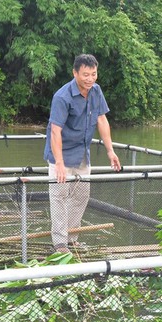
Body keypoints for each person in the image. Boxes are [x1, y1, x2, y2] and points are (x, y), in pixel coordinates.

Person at [44, 54, 121, 254]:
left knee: (81, 195)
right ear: (75, 73)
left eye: (93, 74)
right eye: (85, 74)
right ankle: (60, 243)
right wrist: (59, 163)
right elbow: (55, 130)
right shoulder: (62, 96)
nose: (90, 78)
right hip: (61, 153)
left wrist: (110, 151)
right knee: (59, 196)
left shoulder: (96, 91)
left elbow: (102, 120)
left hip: (82, 153)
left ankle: (72, 237)